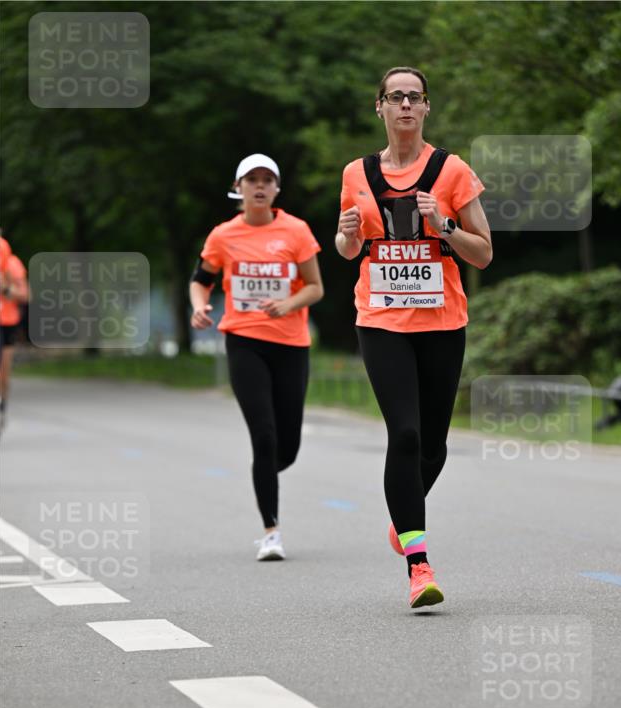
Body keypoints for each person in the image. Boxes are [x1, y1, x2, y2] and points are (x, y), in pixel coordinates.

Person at [336, 67, 492, 609]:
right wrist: (346, 236)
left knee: (433, 447)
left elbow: (483, 252)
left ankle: (403, 517)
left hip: (442, 323)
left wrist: (444, 225)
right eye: (395, 96)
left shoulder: (452, 170)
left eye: (414, 97)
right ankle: (419, 566)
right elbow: (348, 248)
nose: (405, 104)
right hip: (380, 320)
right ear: (379, 106)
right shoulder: (356, 173)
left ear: (426, 107)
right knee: (404, 434)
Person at [190, 154, 323, 560]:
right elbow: (201, 280)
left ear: (277, 189)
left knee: (288, 447)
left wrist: (288, 303)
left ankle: (264, 473)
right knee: (263, 436)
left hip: (291, 344)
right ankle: (271, 532)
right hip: (244, 342)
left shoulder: (296, 231)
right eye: (252, 180)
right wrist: (199, 306)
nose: (260, 186)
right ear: (239, 188)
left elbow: (315, 287)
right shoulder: (223, 235)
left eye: (267, 179)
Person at [0, 235, 29, 436]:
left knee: (3, 371)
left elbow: (25, 294)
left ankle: (2, 407)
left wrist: (6, 289)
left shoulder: (11, 263)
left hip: (7, 321)